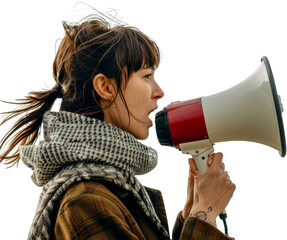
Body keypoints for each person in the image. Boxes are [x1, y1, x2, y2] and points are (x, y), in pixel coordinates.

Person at [0, 14, 236, 240]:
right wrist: (204, 213)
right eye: (147, 76)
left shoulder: (111, 190)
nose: (159, 92)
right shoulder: (84, 201)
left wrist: (190, 214)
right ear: (105, 87)